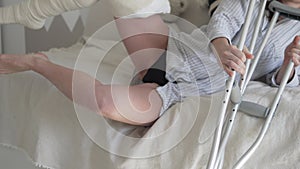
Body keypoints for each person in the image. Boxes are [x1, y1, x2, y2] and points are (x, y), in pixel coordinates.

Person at [0, 0, 300, 126]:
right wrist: (222, 48)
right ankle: (33, 12)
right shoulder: (252, 1)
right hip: (169, 54)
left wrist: (290, 62)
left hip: (180, 93)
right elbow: (222, 19)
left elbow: (280, 80)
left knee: (106, 104)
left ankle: (36, 63)